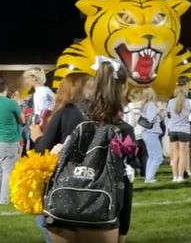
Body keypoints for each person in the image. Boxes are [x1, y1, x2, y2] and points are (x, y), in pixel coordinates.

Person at [46, 60, 135, 243]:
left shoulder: (69, 112)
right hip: (99, 213)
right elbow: (125, 182)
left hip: (61, 206)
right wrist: (123, 230)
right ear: (123, 87)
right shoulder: (122, 129)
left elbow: (43, 149)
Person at [30, 72, 91, 243]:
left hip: (64, 178)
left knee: (44, 220)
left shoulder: (67, 111)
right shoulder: (92, 112)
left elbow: (43, 148)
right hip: (88, 177)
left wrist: (37, 137)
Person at [0, 78, 24, 206]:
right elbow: (22, 120)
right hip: (7, 140)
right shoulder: (11, 103)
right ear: (6, 89)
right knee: (7, 171)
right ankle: (4, 200)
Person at [167, 85, 191, 183]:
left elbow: (168, 114)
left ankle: (174, 176)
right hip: (184, 129)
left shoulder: (170, 102)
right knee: (183, 155)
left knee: (175, 155)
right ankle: (180, 176)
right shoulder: (189, 102)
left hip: (173, 129)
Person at [140, 88, 165, 183]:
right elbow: (151, 119)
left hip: (147, 132)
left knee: (151, 156)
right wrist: (159, 112)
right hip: (152, 132)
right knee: (158, 157)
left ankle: (148, 177)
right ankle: (150, 177)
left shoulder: (145, 105)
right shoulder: (151, 105)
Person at [22, 67, 55, 131]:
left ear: (34, 78)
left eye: (27, 78)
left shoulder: (38, 94)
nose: (26, 81)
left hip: (41, 129)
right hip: (50, 127)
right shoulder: (48, 91)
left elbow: (40, 116)